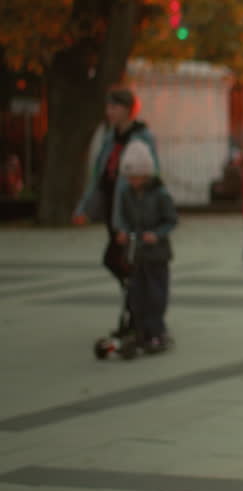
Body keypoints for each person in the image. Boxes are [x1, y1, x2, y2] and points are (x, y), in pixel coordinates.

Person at [73, 87, 160, 289]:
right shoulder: (110, 137)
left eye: (114, 107)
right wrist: (84, 207)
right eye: (108, 107)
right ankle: (134, 292)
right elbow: (98, 174)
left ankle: (138, 292)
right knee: (118, 257)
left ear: (127, 109)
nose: (109, 112)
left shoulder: (141, 136)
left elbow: (152, 171)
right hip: (111, 202)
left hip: (131, 205)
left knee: (119, 256)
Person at [116, 139, 178, 354]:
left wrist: (157, 235)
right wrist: (123, 231)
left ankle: (157, 331)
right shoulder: (126, 194)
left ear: (146, 174)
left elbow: (171, 220)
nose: (132, 181)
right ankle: (140, 329)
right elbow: (124, 218)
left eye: (136, 177)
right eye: (129, 177)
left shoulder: (160, 194)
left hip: (157, 253)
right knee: (136, 292)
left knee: (156, 294)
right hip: (136, 251)